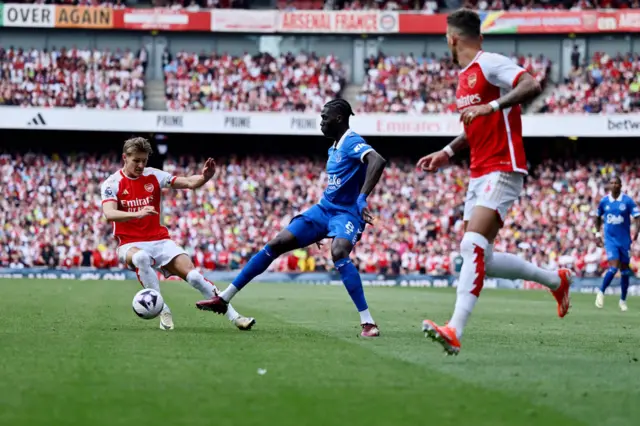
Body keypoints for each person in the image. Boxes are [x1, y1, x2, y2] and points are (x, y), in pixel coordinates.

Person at [416, 9, 572, 355]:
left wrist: (493, 105)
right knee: (477, 254)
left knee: (471, 245)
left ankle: (454, 330)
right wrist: (447, 152)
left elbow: (531, 83)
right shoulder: (465, 77)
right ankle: (555, 280)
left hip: (503, 166)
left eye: (445, 37)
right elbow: (475, 125)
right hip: (478, 169)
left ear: (452, 39)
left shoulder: (490, 64)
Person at [196, 99, 388, 337]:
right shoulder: (334, 148)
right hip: (324, 210)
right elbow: (338, 186)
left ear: (339, 118)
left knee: (339, 251)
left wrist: (362, 199)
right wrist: (321, 228)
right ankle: (224, 298)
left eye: (324, 117)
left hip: (346, 213)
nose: (321, 122)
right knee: (276, 243)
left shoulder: (351, 140)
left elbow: (377, 160)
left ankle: (368, 322)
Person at [100, 137, 255, 331]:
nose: (141, 165)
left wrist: (205, 177)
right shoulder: (112, 183)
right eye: (136, 160)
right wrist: (138, 213)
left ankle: (236, 317)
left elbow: (188, 182)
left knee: (195, 278)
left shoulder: (153, 176)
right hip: (130, 245)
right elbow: (109, 213)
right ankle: (162, 308)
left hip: (160, 241)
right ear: (125, 157)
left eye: (144, 160)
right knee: (140, 257)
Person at [595, 176, 640, 311]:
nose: (613, 185)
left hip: (625, 240)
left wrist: (636, 233)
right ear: (609, 185)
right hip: (610, 240)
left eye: (616, 183)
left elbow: (637, 217)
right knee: (614, 268)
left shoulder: (627, 201)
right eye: (611, 183)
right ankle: (601, 292)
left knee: (625, 271)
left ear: (620, 185)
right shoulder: (604, 201)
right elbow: (597, 218)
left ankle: (622, 300)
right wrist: (597, 234)